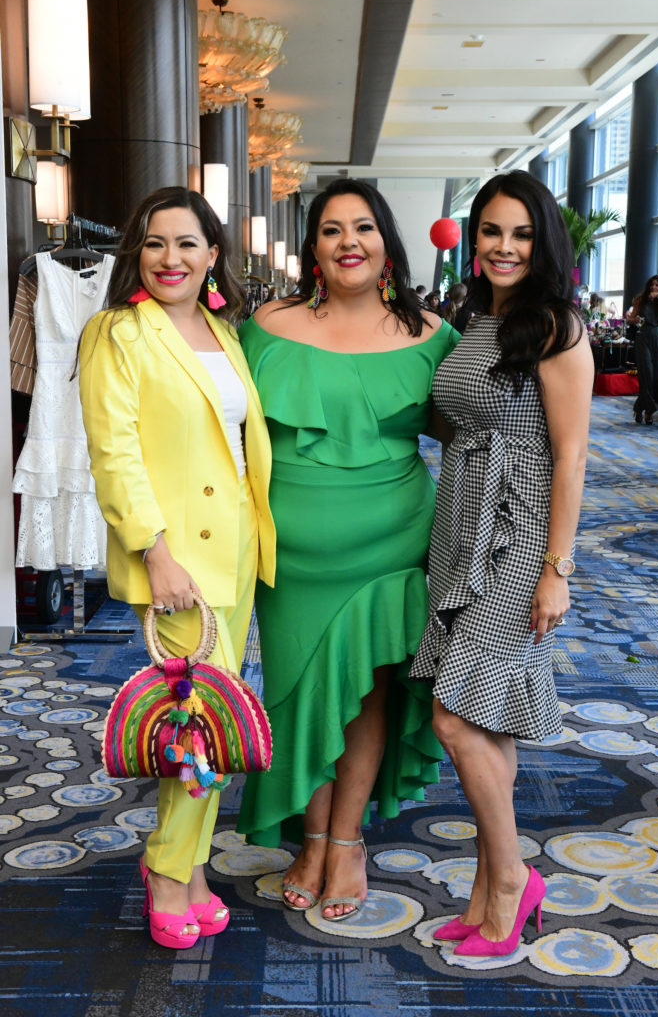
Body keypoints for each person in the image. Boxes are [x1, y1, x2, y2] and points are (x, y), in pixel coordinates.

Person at [236, 177, 460, 921]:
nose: (347, 242)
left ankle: (343, 843)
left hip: (391, 542)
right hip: (288, 555)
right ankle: (309, 835)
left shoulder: (432, 336)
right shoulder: (265, 325)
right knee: (298, 692)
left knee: (365, 692)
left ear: (387, 245)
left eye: (362, 227)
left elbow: (478, 439)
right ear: (313, 249)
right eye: (331, 230)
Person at [78, 186, 276, 949]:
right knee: (196, 721)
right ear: (138, 251)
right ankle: (168, 869)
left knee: (213, 713)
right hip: (176, 557)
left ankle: (187, 870)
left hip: (236, 547)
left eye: (187, 244)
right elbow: (114, 453)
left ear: (212, 254)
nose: (171, 259)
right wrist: (154, 553)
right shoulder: (117, 333)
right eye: (156, 243)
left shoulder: (226, 334)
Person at [410, 170, 593, 957]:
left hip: (517, 533)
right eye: (491, 231)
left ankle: (514, 880)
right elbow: (451, 418)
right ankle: (489, 886)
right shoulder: (477, 317)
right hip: (461, 519)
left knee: (455, 712)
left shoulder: (557, 325)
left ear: (542, 241)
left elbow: (572, 453)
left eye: (520, 234)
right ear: (472, 237)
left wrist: (557, 567)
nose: (503, 247)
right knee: (486, 713)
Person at [625, 274, 658, 424]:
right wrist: (634, 320)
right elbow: (629, 319)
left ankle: (639, 408)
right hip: (643, 336)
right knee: (646, 371)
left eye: (657, 285)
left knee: (655, 375)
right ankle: (649, 411)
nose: (654, 287)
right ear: (648, 286)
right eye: (652, 285)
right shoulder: (641, 299)